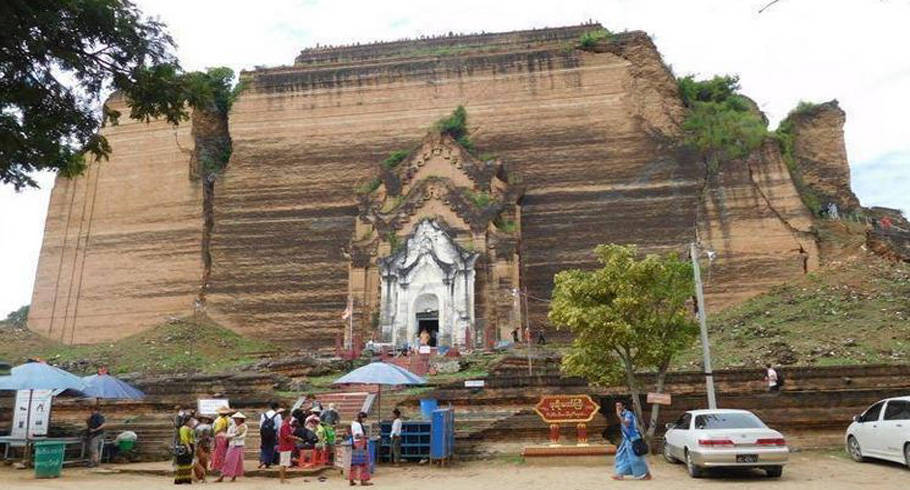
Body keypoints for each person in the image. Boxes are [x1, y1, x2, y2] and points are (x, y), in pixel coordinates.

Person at [611, 400, 651, 481]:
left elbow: (627, 423)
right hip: (626, 439)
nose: (617, 408)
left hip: (633, 439)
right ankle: (620, 474)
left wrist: (619, 416)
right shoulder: (623, 414)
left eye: (619, 405)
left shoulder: (628, 414)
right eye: (616, 406)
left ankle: (647, 474)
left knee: (635, 458)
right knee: (621, 456)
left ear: (624, 406)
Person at [216, 412, 247, 483]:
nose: (236, 420)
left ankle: (232, 476)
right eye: (235, 419)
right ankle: (222, 476)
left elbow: (242, 436)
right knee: (228, 461)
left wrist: (232, 436)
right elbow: (229, 435)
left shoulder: (244, 426)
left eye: (237, 419)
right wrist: (235, 435)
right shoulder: (232, 426)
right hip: (232, 445)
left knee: (237, 462)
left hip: (238, 445)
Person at [349, 412, 373, 486]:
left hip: (355, 444)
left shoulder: (353, 424)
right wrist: (365, 438)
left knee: (354, 463)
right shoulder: (358, 425)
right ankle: (363, 480)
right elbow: (358, 436)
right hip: (360, 444)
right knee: (363, 463)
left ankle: (351, 479)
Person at [258, 403, 283, 469]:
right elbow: (279, 426)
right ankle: (267, 462)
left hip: (264, 432)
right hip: (272, 433)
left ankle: (262, 460)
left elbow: (261, 425)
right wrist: (278, 435)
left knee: (264, 446)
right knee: (271, 447)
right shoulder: (278, 415)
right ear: (276, 408)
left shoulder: (264, 415)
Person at [278, 417, 301, 484]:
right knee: (283, 463)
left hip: (287, 446)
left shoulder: (286, 424)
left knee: (285, 463)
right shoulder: (285, 425)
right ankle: (282, 480)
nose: (291, 418)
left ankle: (283, 479)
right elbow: (287, 436)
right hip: (285, 446)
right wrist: (297, 438)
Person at [211, 406, 233, 474]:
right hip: (226, 435)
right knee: (224, 451)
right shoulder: (229, 419)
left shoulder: (218, 420)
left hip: (219, 436)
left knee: (219, 451)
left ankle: (217, 465)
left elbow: (216, 430)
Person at [174, 417, 195, 484]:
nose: (192, 422)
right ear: (187, 421)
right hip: (185, 446)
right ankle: (180, 479)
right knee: (183, 463)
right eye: (191, 421)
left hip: (190, 445)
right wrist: (188, 447)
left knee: (188, 464)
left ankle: (186, 478)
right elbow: (184, 438)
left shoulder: (190, 428)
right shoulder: (183, 428)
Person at [193, 415, 214, 482]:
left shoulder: (209, 428)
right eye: (203, 419)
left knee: (203, 461)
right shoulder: (198, 427)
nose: (205, 420)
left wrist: (208, 439)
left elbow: (212, 437)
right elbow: (195, 437)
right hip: (199, 445)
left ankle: (201, 476)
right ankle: (199, 476)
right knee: (200, 461)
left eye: (206, 419)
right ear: (201, 420)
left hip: (205, 445)